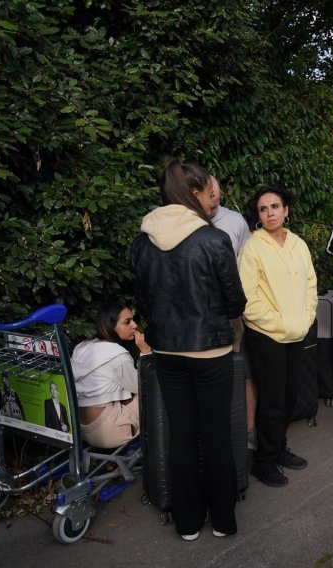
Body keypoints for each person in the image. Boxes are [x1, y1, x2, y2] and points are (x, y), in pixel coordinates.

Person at [131, 160, 245, 541]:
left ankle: (188, 522)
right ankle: (224, 521)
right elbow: (235, 304)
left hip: (166, 350)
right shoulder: (212, 239)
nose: (211, 197)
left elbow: (144, 301)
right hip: (210, 350)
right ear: (194, 192)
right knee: (215, 434)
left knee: (181, 434)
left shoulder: (141, 241)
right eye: (206, 191)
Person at [239, 185, 317, 488]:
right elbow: (248, 298)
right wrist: (280, 323)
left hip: (297, 333)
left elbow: (311, 284)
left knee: (289, 396)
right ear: (258, 216)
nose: (270, 213)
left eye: (275, 206)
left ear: (286, 210)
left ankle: (278, 447)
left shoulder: (298, 244)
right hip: (267, 336)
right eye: (263, 209)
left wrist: (306, 316)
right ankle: (265, 461)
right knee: (271, 400)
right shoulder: (253, 247)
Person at [207, 176, 258, 452]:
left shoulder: (235, 221)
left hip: (234, 310)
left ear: (220, 192)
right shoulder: (189, 221)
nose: (212, 200)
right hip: (204, 316)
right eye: (207, 195)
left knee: (245, 368)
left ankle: (249, 429)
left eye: (215, 194)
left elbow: (246, 261)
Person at [71, 303, 150, 448]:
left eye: (133, 320)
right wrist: (146, 353)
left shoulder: (83, 347)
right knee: (158, 390)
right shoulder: (117, 356)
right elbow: (145, 386)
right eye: (127, 322)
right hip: (109, 432)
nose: (134, 325)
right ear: (110, 326)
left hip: (79, 428)